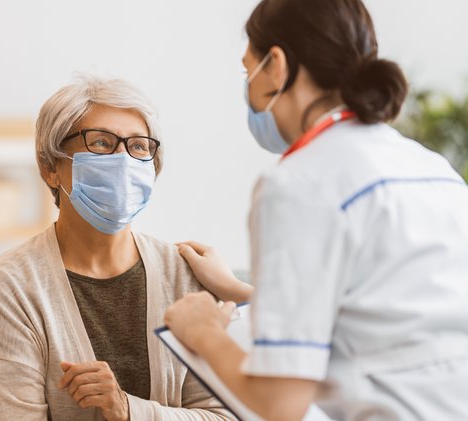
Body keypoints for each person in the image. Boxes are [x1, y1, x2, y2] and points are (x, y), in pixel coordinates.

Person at [164, 0, 468, 420]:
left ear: (275, 65)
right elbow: (384, 322)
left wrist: (202, 332)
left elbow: (279, 404)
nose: (247, 89)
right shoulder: (436, 171)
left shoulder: (298, 184)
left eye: (246, 70)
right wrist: (240, 291)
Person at [0, 75, 233, 420]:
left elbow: (225, 415)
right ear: (50, 168)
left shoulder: (185, 273)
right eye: (102, 143)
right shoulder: (9, 286)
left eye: (138, 146)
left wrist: (127, 410)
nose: (123, 160)